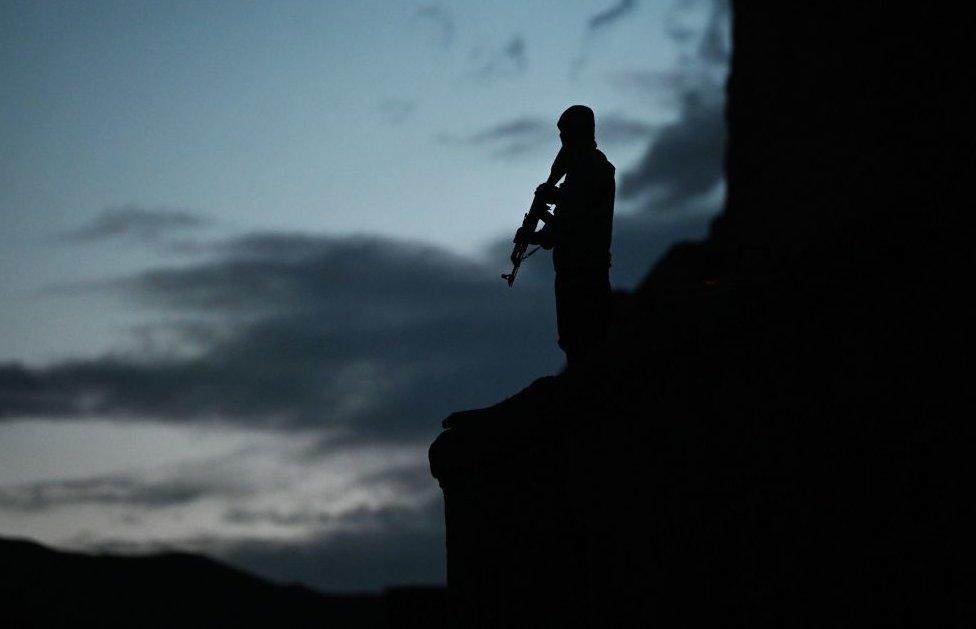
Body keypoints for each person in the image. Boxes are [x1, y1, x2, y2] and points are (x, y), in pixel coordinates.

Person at [516, 105, 615, 367]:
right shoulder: (579, 170)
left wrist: (541, 226)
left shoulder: (595, 167)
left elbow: (575, 220)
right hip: (575, 268)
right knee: (575, 338)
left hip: (586, 269)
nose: (562, 140)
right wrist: (538, 232)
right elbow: (564, 222)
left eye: (565, 133)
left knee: (586, 339)